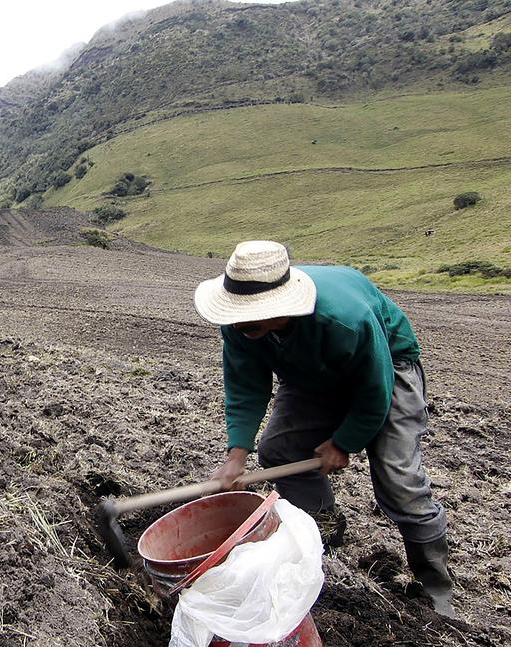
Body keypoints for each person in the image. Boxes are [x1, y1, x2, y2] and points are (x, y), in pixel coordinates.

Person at [193, 240, 455, 618]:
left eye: (250, 318)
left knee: (399, 482)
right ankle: (323, 526)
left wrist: (344, 442)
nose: (240, 325)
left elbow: (374, 391)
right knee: (279, 450)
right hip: (309, 372)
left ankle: (436, 588)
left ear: (280, 307)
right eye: (237, 317)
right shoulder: (239, 326)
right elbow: (245, 386)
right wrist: (237, 455)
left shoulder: (343, 320)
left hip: (388, 368)